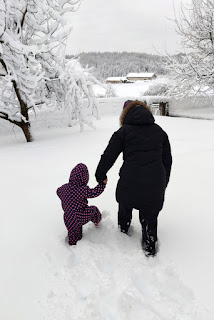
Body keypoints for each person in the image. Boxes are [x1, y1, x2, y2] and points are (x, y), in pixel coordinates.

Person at [95, 100, 172, 257]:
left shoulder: (123, 132)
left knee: (125, 206)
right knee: (150, 216)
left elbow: (108, 155)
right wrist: (165, 182)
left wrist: (100, 175)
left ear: (125, 115)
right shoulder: (160, 132)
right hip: (154, 183)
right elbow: (167, 160)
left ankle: (123, 232)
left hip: (129, 182)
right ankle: (150, 247)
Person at [57, 163, 107, 245]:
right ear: (85, 178)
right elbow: (94, 192)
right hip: (80, 215)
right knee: (93, 210)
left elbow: (58, 191)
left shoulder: (63, 189)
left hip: (68, 218)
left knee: (74, 233)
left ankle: (73, 243)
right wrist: (102, 185)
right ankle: (97, 221)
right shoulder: (82, 190)